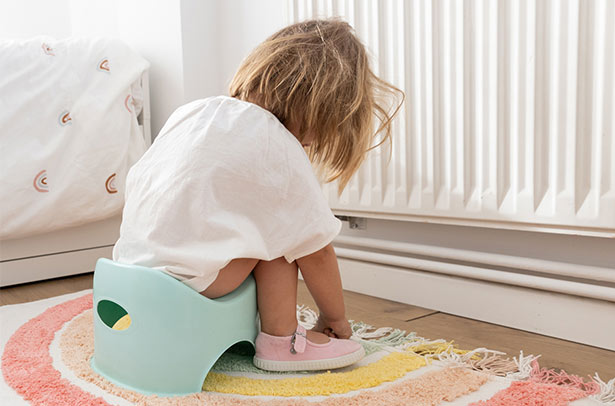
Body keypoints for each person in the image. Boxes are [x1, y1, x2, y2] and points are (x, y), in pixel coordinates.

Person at [112, 18, 403, 372]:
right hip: (188, 284)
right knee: (283, 239)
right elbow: (317, 251)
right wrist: (334, 316)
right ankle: (282, 343)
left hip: (125, 272)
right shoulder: (276, 142)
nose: (312, 143)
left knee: (257, 224)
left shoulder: (194, 112)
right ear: (318, 108)